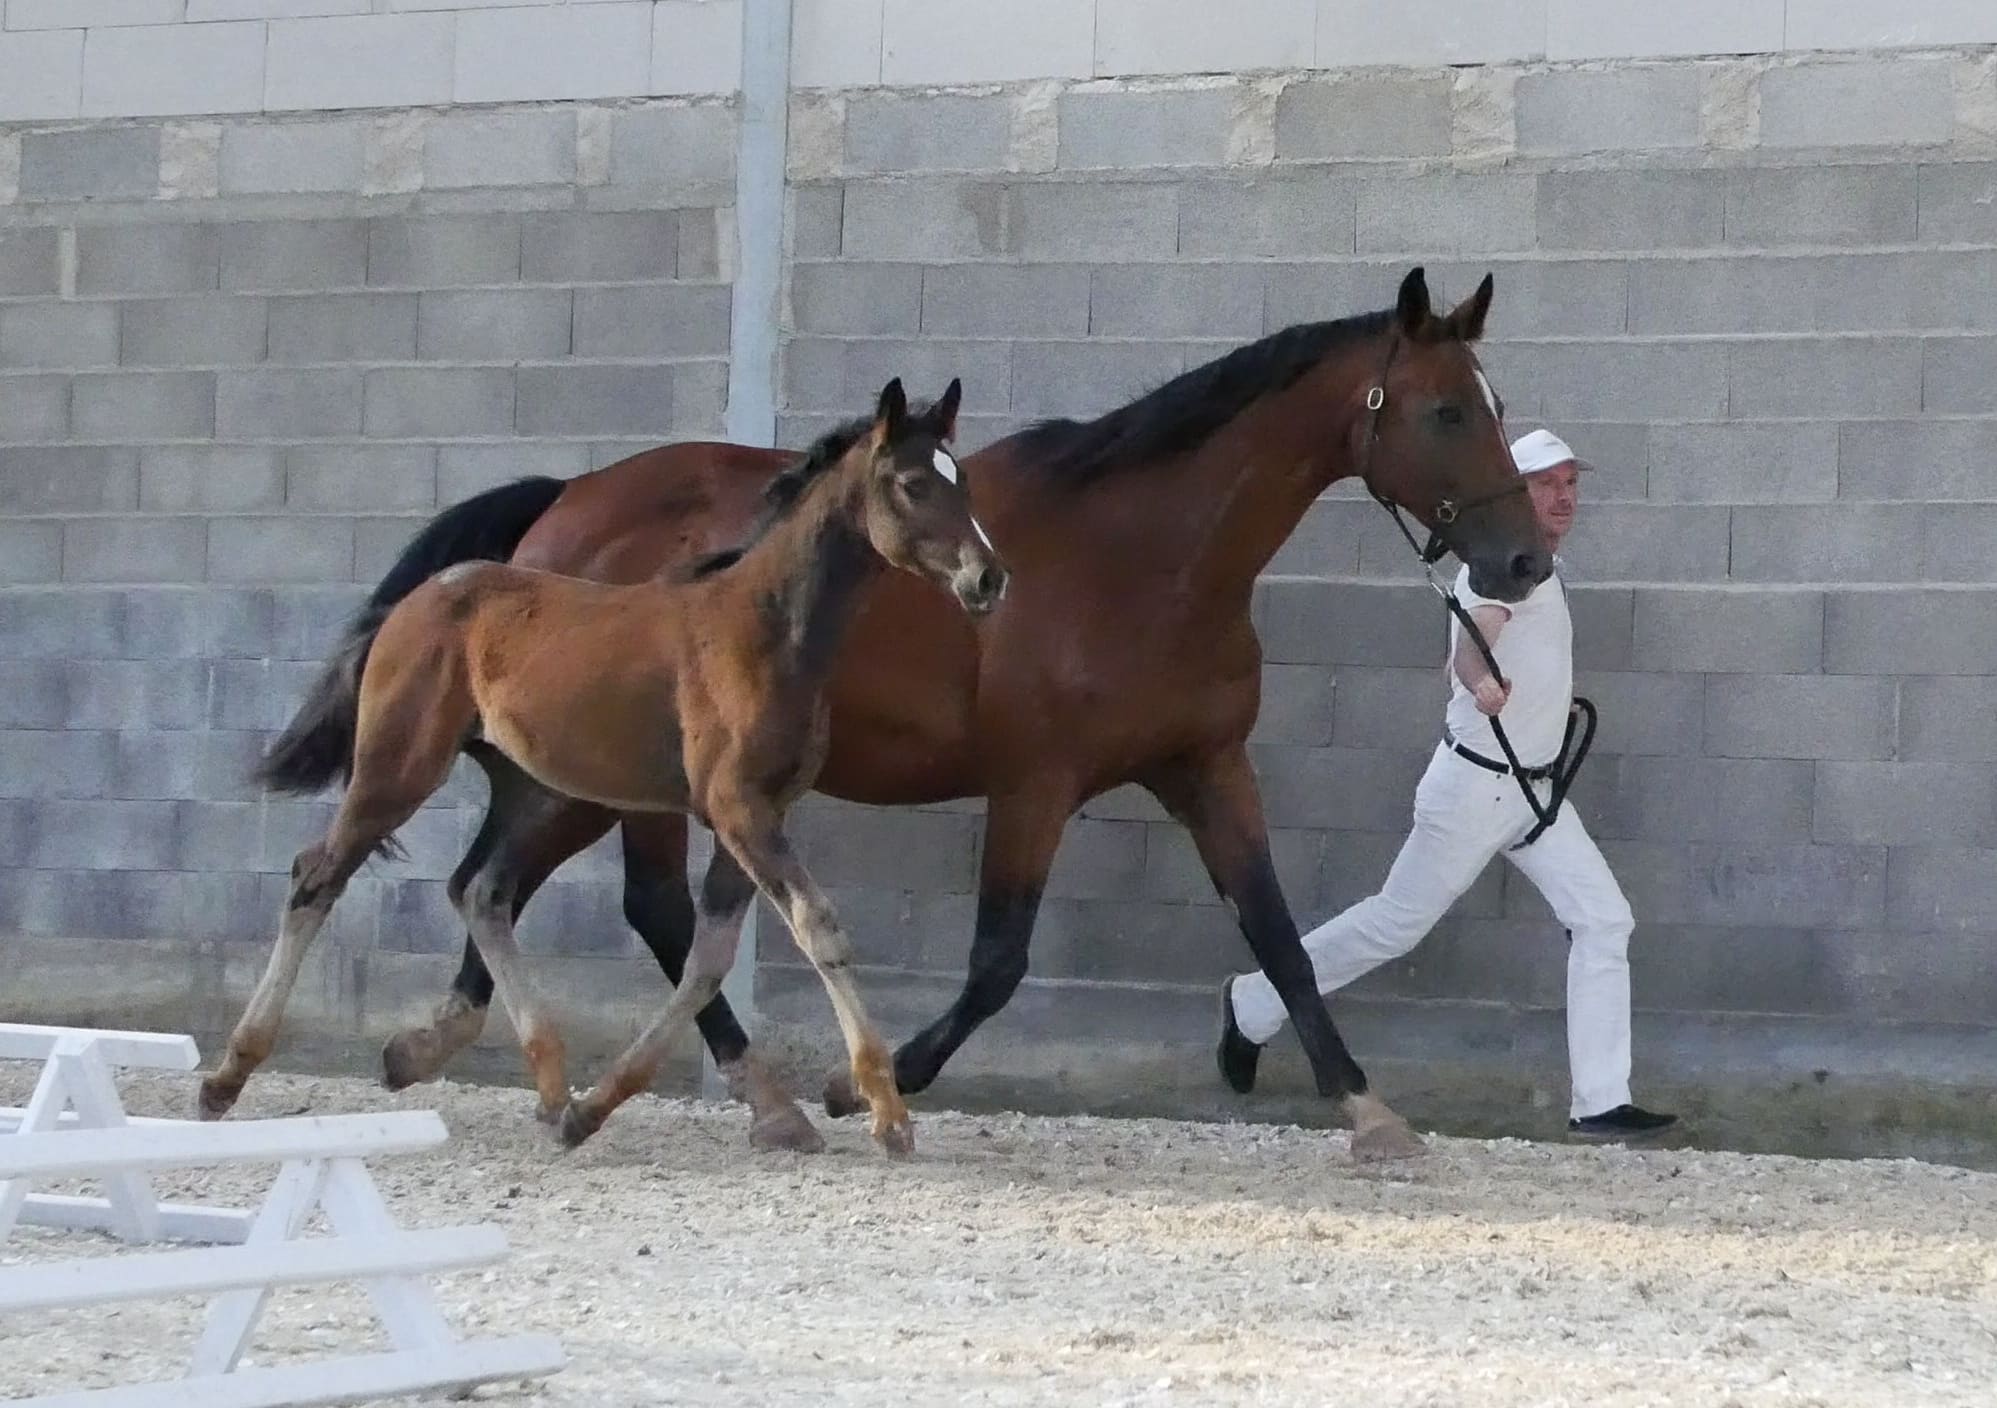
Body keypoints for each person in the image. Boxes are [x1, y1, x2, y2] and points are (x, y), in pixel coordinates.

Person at [1216, 427, 1677, 1140]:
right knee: (1395, 923)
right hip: (1473, 790)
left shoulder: (1535, 562)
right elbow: (1469, 646)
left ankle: (1599, 1102)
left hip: (1534, 798)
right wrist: (1478, 681)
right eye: (1544, 483)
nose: (1562, 497)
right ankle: (1252, 1004)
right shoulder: (1502, 568)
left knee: (1603, 919)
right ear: (1511, 492)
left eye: (1569, 483)